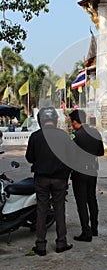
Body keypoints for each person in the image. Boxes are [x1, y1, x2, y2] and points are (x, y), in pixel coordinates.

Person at [25, 106, 73, 256]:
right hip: (59, 180)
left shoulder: (35, 137)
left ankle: (40, 246)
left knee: (41, 211)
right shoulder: (64, 136)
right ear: (55, 119)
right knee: (59, 210)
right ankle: (61, 242)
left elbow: (29, 158)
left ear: (41, 120)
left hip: (41, 179)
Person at [69, 109, 104, 242]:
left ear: (76, 122)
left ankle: (86, 231)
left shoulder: (76, 136)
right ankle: (95, 228)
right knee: (92, 199)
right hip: (92, 170)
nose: (72, 125)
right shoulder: (95, 132)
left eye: (72, 123)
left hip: (79, 172)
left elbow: (70, 156)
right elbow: (101, 152)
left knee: (81, 202)